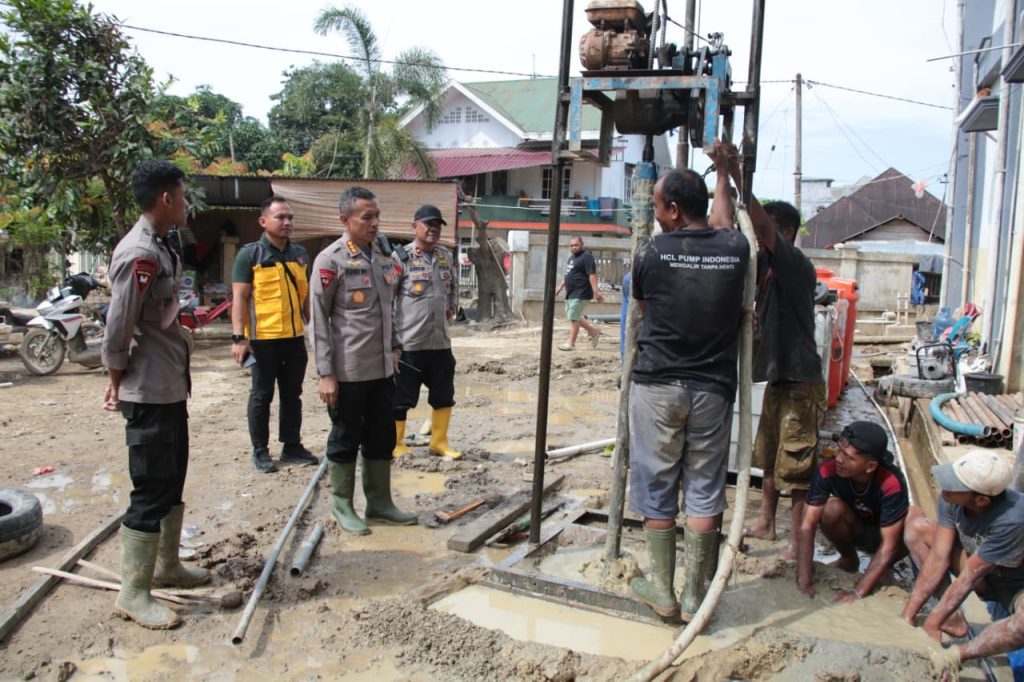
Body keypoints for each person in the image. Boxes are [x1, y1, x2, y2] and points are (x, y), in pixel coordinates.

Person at [628, 144, 749, 621]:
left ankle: (663, 589)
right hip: (714, 388)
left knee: (657, 481)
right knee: (703, 486)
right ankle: (697, 595)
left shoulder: (651, 252)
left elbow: (643, 312)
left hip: (658, 384)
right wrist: (723, 173)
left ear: (673, 211)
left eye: (658, 206)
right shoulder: (735, 248)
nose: (655, 214)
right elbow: (721, 223)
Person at [101, 159, 209, 629]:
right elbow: (117, 327)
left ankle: (166, 568)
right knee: (151, 488)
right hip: (147, 390)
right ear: (166, 198)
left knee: (172, 478)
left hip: (169, 384)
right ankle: (133, 593)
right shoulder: (139, 253)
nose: (187, 204)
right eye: (183, 196)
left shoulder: (163, 245)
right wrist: (114, 381)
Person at [308, 186, 417, 535]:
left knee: (381, 436)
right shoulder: (330, 260)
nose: (374, 223)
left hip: (383, 368)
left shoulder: (383, 256)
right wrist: (326, 374)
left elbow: (390, 307)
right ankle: (342, 506)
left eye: (377, 216)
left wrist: (397, 345)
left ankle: (380, 503)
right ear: (345, 220)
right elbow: (317, 321)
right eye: (366, 217)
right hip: (349, 371)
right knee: (345, 437)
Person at [733, 153, 826, 561]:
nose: (755, 235)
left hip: (801, 381)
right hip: (778, 379)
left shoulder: (793, 262)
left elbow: (763, 227)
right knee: (768, 458)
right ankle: (768, 524)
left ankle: (796, 543)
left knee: (798, 468)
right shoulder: (766, 270)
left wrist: (735, 175)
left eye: (762, 230)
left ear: (785, 231)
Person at [901, 450, 1024, 673]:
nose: (944, 487)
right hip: (985, 572)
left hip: (1016, 584)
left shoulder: (1014, 519)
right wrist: (908, 615)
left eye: (954, 485)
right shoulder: (951, 498)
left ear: (981, 500)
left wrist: (932, 623)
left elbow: (969, 577)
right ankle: (953, 620)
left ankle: (958, 654)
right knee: (917, 530)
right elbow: (939, 556)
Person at [230, 195, 317, 473]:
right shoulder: (250, 255)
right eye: (280, 217)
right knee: (261, 396)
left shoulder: (300, 254)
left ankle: (291, 445)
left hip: (293, 340)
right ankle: (261, 451)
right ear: (263, 221)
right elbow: (240, 298)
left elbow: (305, 299)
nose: (287, 222)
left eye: (290, 217)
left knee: (293, 394)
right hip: (262, 341)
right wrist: (239, 338)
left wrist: (316, 331)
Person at [796, 421, 910, 601]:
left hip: (889, 537)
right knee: (830, 509)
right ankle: (849, 559)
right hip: (858, 529)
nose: (839, 459)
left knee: (915, 521)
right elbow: (807, 525)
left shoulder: (891, 482)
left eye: (848, 457)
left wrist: (857, 592)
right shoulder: (827, 470)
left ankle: (885, 568)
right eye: (839, 450)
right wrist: (804, 581)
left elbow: (890, 544)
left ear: (870, 466)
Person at [391, 205, 461, 460]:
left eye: (438, 225)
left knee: (444, 395)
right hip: (410, 343)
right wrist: (392, 340)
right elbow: (389, 299)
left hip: (440, 342)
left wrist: (451, 307)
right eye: (428, 224)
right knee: (401, 397)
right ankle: (396, 443)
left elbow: (453, 286)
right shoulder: (401, 257)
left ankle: (439, 442)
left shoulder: (446, 256)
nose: (433, 229)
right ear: (415, 227)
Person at [555, 236, 604, 351]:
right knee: (573, 316)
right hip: (571, 293)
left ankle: (571, 343)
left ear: (582, 245)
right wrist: (560, 287)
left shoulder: (587, 257)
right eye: (572, 245)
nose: (574, 247)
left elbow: (592, 275)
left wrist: (596, 291)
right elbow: (568, 274)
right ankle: (593, 331)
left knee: (573, 318)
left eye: (576, 245)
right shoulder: (571, 258)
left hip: (581, 292)